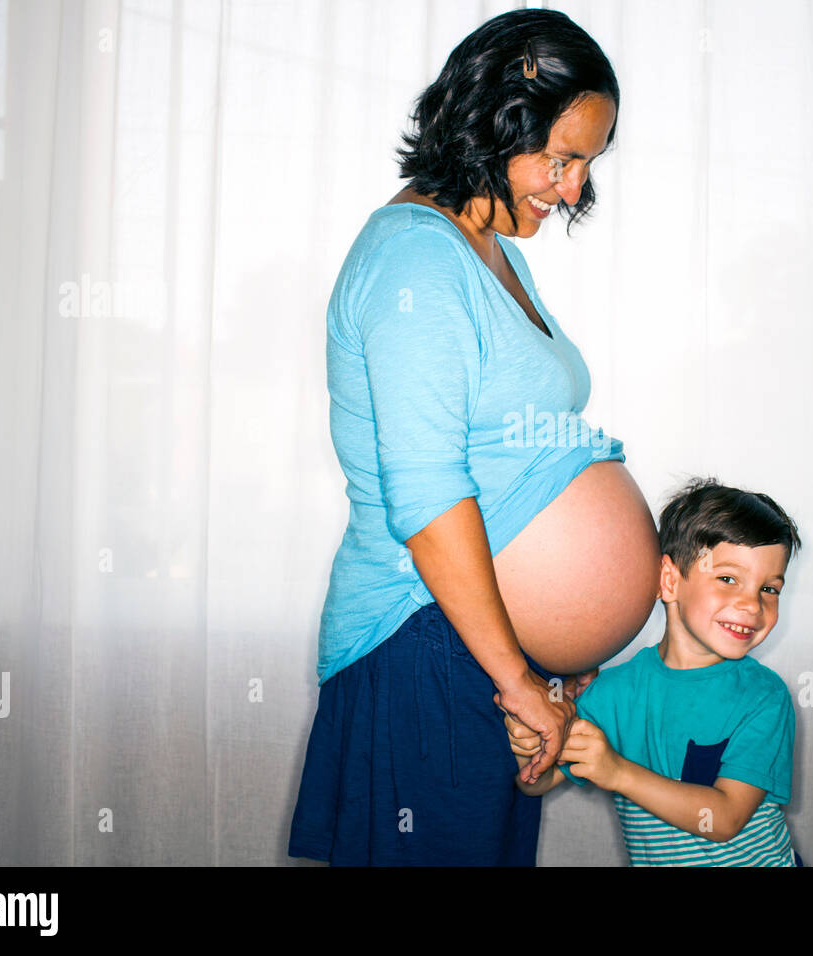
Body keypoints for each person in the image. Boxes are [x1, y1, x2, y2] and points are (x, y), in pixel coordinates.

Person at [288, 9, 662, 866]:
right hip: (425, 641)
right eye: (561, 158)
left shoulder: (489, 250)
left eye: (588, 165)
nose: (573, 190)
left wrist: (549, 668)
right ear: (493, 121)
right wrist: (518, 679)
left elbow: (512, 464)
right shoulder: (415, 261)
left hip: (480, 648)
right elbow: (428, 493)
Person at [504, 478, 805, 866]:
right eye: (728, 579)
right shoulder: (614, 693)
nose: (751, 604)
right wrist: (530, 741)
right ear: (670, 580)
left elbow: (725, 818)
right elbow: (538, 783)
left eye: (770, 588)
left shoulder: (764, 695)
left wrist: (617, 772)